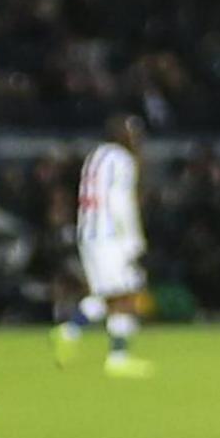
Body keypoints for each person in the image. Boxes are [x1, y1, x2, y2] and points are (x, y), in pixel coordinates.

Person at [57, 114, 154, 377]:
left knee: (112, 292)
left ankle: (70, 332)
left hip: (90, 232)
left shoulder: (96, 156)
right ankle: (115, 356)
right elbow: (121, 202)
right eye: (132, 133)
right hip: (111, 236)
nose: (136, 138)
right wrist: (134, 240)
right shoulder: (122, 160)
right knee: (124, 295)